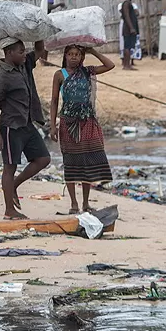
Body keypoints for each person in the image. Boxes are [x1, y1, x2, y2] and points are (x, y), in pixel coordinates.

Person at [0, 38, 52, 220]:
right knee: (10, 166)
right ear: (9, 54)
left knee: (43, 159)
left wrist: (36, 32)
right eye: (21, 51)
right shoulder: (1, 77)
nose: (25, 54)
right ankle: (9, 210)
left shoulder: (24, 65)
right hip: (10, 126)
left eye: (25, 51)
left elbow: (39, 49)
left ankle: (14, 185)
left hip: (27, 123)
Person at [50, 46, 116, 213]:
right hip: (68, 123)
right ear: (65, 56)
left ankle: (86, 203)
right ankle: (74, 204)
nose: (73, 57)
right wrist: (52, 126)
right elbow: (54, 101)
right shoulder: (59, 75)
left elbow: (110, 65)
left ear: (82, 57)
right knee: (71, 162)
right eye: (70, 54)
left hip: (88, 122)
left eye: (77, 55)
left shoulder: (88, 72)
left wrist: (93, 51)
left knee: (88, 161)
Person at [117, 0, 141, 66]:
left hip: (129, 28)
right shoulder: (126, 3)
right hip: (128, 29)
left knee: (129, 46)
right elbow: (126, 16)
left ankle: (128, 64)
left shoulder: (129, 3)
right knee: (127, 46)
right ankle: (126, 65)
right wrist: (131, 28)